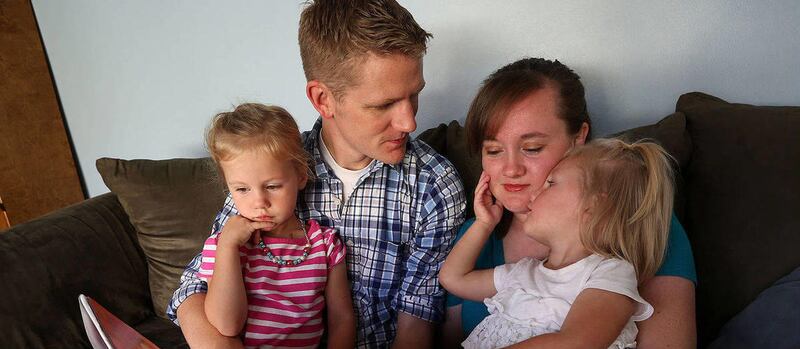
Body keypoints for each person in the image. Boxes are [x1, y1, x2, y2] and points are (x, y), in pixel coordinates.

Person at [166, 1, 466, 348]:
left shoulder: (433, 185)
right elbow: (194, 287)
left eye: (414, 95)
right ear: (323, 99)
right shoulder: (273, 167)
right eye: (383, 105)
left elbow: (417, 319)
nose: (409, 122)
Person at [442, 58, 697, 348]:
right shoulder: (476, 239)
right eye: (494, 150)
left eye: (532, 148)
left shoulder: (637, 221)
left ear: (578, 140)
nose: (511, 169)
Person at [441, 138, 674, 348]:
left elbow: (576, 343)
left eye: (550, 184)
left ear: (593, 206)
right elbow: (453, 279)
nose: (533, 195)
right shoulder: (525, 272)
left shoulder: (609, 273)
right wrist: (484, 223)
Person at [197, 103, 354, 348]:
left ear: (301, 175)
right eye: (242, 189)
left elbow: (342, 319)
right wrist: (227, 246)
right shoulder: (222, 246)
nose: (259, 202)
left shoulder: (325, 244)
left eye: (272, 186)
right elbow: (227, 325)